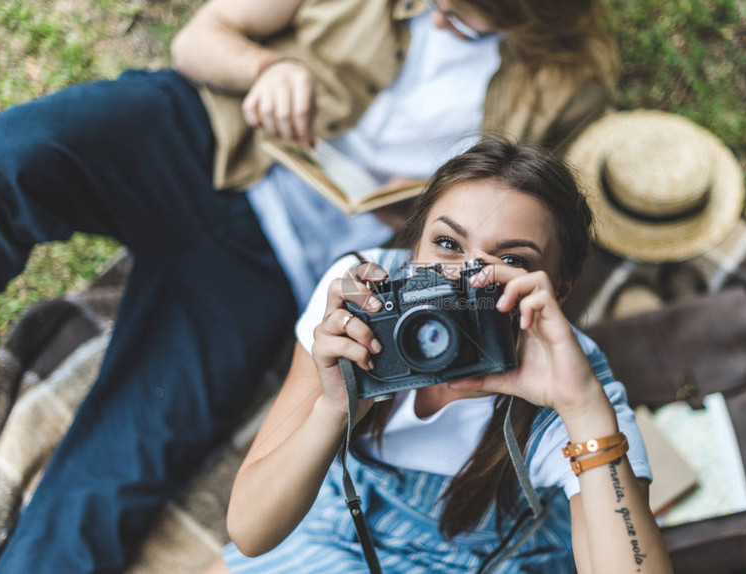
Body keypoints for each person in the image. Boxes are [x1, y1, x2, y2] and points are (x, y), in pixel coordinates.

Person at [0, 0, 618, 571]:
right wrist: (263, 69)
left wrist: (430, 230)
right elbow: (200, 39)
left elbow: (519, 217)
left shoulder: (570, 82)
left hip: (275, 268)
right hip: (209, 141)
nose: (442, 11)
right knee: (17, 156)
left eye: (469, 12)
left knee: (117, 464)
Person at [215, 139, 672, 573]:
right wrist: (334, 407)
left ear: (559, 287)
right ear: (413, 244)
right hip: (344, 521)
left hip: (483, 556)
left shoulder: (572, 384)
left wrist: (584, 412)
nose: (463, 279)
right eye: (448, 245)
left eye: (509, 261)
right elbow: (251, 532)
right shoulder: (359, 296)